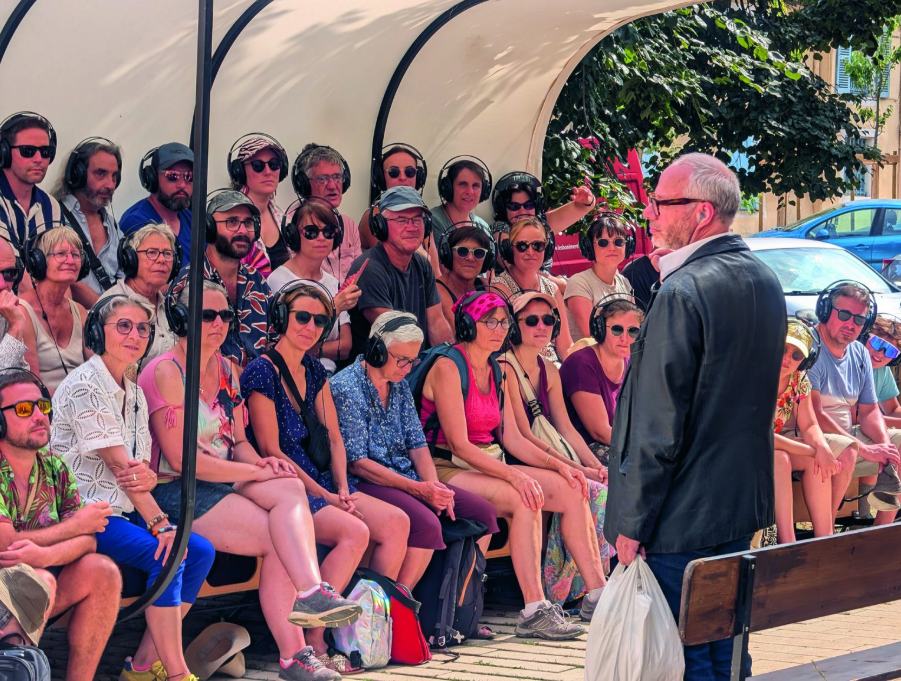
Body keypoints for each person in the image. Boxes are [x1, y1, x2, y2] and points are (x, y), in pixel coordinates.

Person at [604, 153, 786, 679]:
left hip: (681, 514)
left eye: (661, 202)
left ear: (701, 212)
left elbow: (657, 424)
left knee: (687, 656)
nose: (649, 213)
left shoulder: (685, 289)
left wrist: (632, 524)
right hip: (736, 503)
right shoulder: (763, 278)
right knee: (724, 649)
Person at [139, 279, 360, 681]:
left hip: (223, 480)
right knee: (281, 534)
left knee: (288, 485)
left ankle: (309, 600)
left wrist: (263, 464)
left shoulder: (227, 368)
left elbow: (238, 441)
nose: (218, 323)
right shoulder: (166, 371)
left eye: (225, 315)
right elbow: (183, 462)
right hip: (175, 491)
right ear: (182, 318)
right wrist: (254, 471)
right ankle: (296, 649)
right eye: (207, 315)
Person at [419, 290, 607, 637]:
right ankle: (535, 609)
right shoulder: (449, 366)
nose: (499, 329)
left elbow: (513, 438)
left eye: (504, 322)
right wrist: (516, 476)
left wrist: (561, 466)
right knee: (526, 497)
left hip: (488, 462)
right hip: (448, 466)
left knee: (571, 488)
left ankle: (598, 595)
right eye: (489, 322)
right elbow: (459, 444)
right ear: (467, 325)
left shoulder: (497, 369)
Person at [242, 283, 408, 672]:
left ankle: (365, 629)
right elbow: (271, 449)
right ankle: (315, 639)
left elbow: (334, 436)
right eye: (302, 317)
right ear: (281, 318)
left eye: (320, 321)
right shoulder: (261, 371)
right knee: (355, 532)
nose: (311, 327)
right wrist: (327, 495)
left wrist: (343, 489)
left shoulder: (315, 369)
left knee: (393, 523)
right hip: (287, 484)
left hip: (321, 482)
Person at [52, 294, 215, 681]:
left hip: (122, 508)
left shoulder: (135, 392)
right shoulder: (85, 385)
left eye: (143, 328)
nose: (135, 335)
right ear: (99, 332)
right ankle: (177, 674)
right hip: (83, 512)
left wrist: (148, 478)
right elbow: (121, 467)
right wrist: (160, 522)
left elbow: (139, 471)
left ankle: (143, 666)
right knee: (167, 553)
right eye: (123, 326)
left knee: (200, 551)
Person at [332, 311, 499, 590]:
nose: (408, 369)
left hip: (405, 477)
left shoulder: (398, 384)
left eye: (413, 360)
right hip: (365, 481)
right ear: (377, 351)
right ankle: (397, 604)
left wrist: (434, 487)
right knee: (426, 524)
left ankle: (457, 604)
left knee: (484, 513)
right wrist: (420, 490)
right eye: (402, 360)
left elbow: (418, 445)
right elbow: (357, 463)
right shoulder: (347, 386)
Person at [0, 368, 121, 681]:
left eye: (43, 406)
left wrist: (44, 555)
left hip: (32, 589)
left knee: (102, 570)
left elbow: (88, 541)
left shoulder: (54, 466)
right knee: (38, 582)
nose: (39, 416)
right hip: (15, 588)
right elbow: (6, 544)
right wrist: (74, 526)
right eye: (24, 409)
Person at [500, 292, 614, 608]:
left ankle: (593, 589)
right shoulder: (505, 367)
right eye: (531, 320)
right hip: (518, 459)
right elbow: (521, 437)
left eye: (548, 320)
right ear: (515, 326)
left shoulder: (549, 368)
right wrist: (577, 469)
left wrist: (593, 465)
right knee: (585, 488)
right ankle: (572, 590)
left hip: (547, 457)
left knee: (600, 483)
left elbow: (566, 429)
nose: (541, 326)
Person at [808, 282, 901, 524]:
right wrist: (866, 449)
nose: (851, 324)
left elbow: (870, 412)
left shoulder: (859, 353)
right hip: (813, 439)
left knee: (897, 444)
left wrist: (885, 447)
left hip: (848, 438)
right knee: (847, 449)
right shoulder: (811, 347)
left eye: (859, 319)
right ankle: (827, 534)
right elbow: (814, 414)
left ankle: (880, 533)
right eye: (844, 315)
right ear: (825, 311)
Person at [347, 186, 453, 358]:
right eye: (402, 220)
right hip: (383, 368)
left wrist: (451, 359)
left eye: (417, 219)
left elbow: (436, 323)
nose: (411, 227)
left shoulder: (422, 264)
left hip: (413, 363)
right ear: (381, 226)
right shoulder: (370, 269)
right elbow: (397, 336)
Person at [171, 190, 271, 367]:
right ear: (208, 227)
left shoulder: (258, 282)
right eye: (232, 222)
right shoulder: (189, 283)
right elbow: (180, 351)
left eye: (248, 223)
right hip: (211, 381)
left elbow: (274, 340)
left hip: (259, 381)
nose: (242, 230)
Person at [268, 198, 360, 373]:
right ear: (294, 236)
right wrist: (333, 309)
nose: (321, 238)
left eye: (329, 231)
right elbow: (284, 348)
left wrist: (312, 349)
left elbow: (345, 347)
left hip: (329, 374)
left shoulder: (332, 283)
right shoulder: (278, 281)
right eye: (311, 232)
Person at [771, 320, 842, 543]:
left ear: (804, 360)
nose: (787, 358)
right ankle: (788, 543)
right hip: (740, 447)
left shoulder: (798, 380)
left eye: (796, 355)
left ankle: (825, 540)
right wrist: (813, 451)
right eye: (783, 348)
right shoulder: (756, 376)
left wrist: (821, 449)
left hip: (768, 447)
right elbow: (759, 434)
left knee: (815, 461)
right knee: (781, 459)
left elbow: (809, 425)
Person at [561, 298, 643, 464]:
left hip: (621, 443)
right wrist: (647, 447)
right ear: (600, 329)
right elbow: (600, 432)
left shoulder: (631, 362)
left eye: (633, 331)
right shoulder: (581, 363)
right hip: (587, 449)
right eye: (617, 330)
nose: (625, 338)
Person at [51, 137, 124, 308]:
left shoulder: (112, 225)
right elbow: (67, 281)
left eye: (114, 176)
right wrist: (106, 312)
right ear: (78, 174)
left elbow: (124, 276)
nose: (110, 185)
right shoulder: (54, 215)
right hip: (74, 317)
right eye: (101, 174)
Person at [490, 171, 596, 286]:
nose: (522, 211)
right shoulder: (500, 230)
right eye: (514, 206)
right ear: (503, 208)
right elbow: (518, 271)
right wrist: (562, 285)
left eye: (528, 205)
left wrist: (588, 200)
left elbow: (584, 207)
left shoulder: (541, 223)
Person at [18, 226, 88, 392]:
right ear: (38, 261)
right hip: (44, 403)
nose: (70, 260)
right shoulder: (22, 311)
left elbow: (99, 368)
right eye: (61, 254)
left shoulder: (80, 311)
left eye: (75, 254)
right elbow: (33, 383)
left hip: (84, 399)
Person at [494, 217, 573, 361]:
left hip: (553, 367)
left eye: (538, 245)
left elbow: (565, 346)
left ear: (546, 249)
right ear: (510, 250)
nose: (531, 252)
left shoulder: (552, 288)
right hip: (519, 367)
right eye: (522, 246)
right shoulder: (499, 288)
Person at [292, 144, 361, 282]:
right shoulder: (292, 224)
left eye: (337, 177)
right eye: (322, 179)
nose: (332, 186)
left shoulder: (349, 225)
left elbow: (359, 275)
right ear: (304, 184)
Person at [227, 133, 292, 276]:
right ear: (240, 172)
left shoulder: (285, 218)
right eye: (258, 166)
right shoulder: (229, 219)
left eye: (274, 164)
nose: (268, 172)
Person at [0, 113, 64, 254]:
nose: (39, 159)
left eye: (46, 151)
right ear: (4, 152)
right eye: (28, 151)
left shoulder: (51, 206)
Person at [563, 214, 634, 340]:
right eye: (603, 243)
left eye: (618, 242)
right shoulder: (579, 283)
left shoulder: (624, 282)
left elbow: (633, 327)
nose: (612, 248)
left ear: (627, 246)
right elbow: (594, 338)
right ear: (590, 247)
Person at [121, 143, 194, 264]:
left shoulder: (192, 221)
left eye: (189, 176)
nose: (182, 185)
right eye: (172, 175)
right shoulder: (136, 221)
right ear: (152, 178)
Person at [360, 143, 428, 250]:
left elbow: (433, 260)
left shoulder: (422, 214)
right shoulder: (375, 217)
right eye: (394, 172)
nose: (402, 177)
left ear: (418, 177)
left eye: (410, 172)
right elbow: (393, 256)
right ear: (382, 178)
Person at [435, 225, 493, 326]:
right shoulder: (437, 289)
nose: (470, 258)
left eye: (478, 253)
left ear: (486, 260)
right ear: (448, 254)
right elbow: (455, 331)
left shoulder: (485, 286)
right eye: (462, 251)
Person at [430, 157, 493, 246]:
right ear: (448, 188)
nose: (470, 192)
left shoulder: (484, 227)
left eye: (475, 185)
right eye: (463, 184)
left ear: (483, 191)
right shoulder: (432, 221)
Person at [862, 315, 901, 427]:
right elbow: (857, 417)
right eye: (877, 343)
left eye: (891, 351)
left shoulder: (882, 370)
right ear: (865, 338)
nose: (881, 353)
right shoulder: (847, 362)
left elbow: (893, 410)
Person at [0, 234, 28, 368]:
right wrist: (16, 327)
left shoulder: (6, 306)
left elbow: (20, 370)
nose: (2, 284)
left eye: (9, 273)